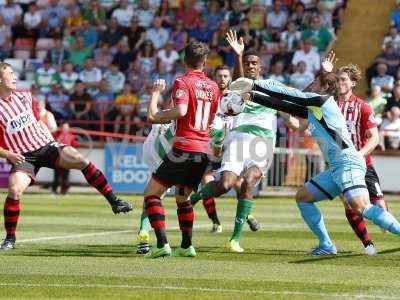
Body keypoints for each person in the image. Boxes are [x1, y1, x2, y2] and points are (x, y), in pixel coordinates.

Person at [229, 52, 400, 255]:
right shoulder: (315, 107)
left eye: (317, 83)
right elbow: (283, 104)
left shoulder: (321, 101)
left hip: (348, 162)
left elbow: (288, 93)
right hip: (337, 166)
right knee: (303, 197)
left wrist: (254, 85)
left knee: (361, 207)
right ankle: (327, 245)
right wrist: (253, 96)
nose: (312, 86)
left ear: (324, 88)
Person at [0, 62, 132, 250]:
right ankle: (10, 239)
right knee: (14, 190)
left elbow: (38, 122)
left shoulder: (25, 96)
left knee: (81, 160)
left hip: (46, 146)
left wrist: (50, 139)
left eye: (14, 73)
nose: (14, 77)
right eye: (10, 73)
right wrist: (9, 155)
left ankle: (114, 201)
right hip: (23, 157)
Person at [190, 30, 285, 253]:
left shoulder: (272, 86)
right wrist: (238, 57)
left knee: (249, 182)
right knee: (225, 185)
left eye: (255, 63)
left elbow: (298, 96)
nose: (252, 66)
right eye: (249, 63)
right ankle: (197, 196)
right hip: (239, 139)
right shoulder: (238, 88)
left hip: (262, 143)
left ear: (261, 67)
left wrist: (321, 77)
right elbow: (241, 81)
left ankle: (234, 239)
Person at [143, 41, 219, 258]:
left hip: (184, 148)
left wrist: (156, 94)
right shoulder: (213, 87)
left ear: (184, 60)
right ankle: (186, 246)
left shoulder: (182, 81)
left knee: (151, 194)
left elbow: (181, 111)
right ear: (205, 62)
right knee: (182, 198)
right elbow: (212, 119)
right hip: (203, 151)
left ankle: (161, 244)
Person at [336, 64, 388, 255]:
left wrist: (360, 153)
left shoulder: (363, 107)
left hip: (363, 164)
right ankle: (368, 244)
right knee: (349, 205)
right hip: (340, 165)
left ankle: (391, 226)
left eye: (343, 80)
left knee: (380, 205)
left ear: (353, 83)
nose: (339, 83)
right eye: (338, 79)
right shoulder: (330, 105)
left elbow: (375, 137)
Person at [51, 122, 77, 195]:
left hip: (67, 158)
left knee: (66, 175)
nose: (65, 128)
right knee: (56, 175)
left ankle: (64, 191)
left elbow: (73, 146)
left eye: (66, 127)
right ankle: (54, 190)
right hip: (57, 158)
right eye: (63, 127)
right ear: (61, 127)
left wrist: (73, 155)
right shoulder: (56, 135)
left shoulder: (71, 136)